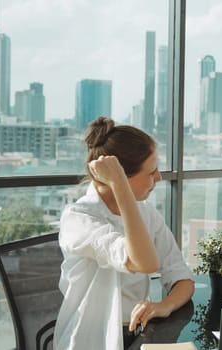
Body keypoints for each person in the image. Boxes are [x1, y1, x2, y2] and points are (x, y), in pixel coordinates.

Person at [54, 117, 195, 350]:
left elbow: (182, 278)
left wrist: (164, 305)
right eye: (151, 172)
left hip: (137, 334)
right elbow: (144, 262)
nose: (158, 178)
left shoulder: (146, 212)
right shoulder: (78, 218)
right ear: (119, 177)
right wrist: (120, 185)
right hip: (91, 339)